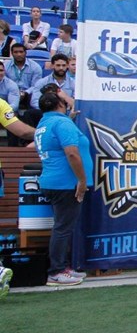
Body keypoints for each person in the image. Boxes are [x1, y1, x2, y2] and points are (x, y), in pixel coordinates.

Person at [33, 91, 92, 286]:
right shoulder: (62, 123)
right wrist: (82, 181)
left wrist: (69, 118)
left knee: (62, 226)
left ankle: (62, 268)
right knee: (63, 228)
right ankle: (56, 271)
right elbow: (72, 154)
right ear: (60, 104)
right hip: (66, 184)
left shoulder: (44, 123)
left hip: (52, 182)